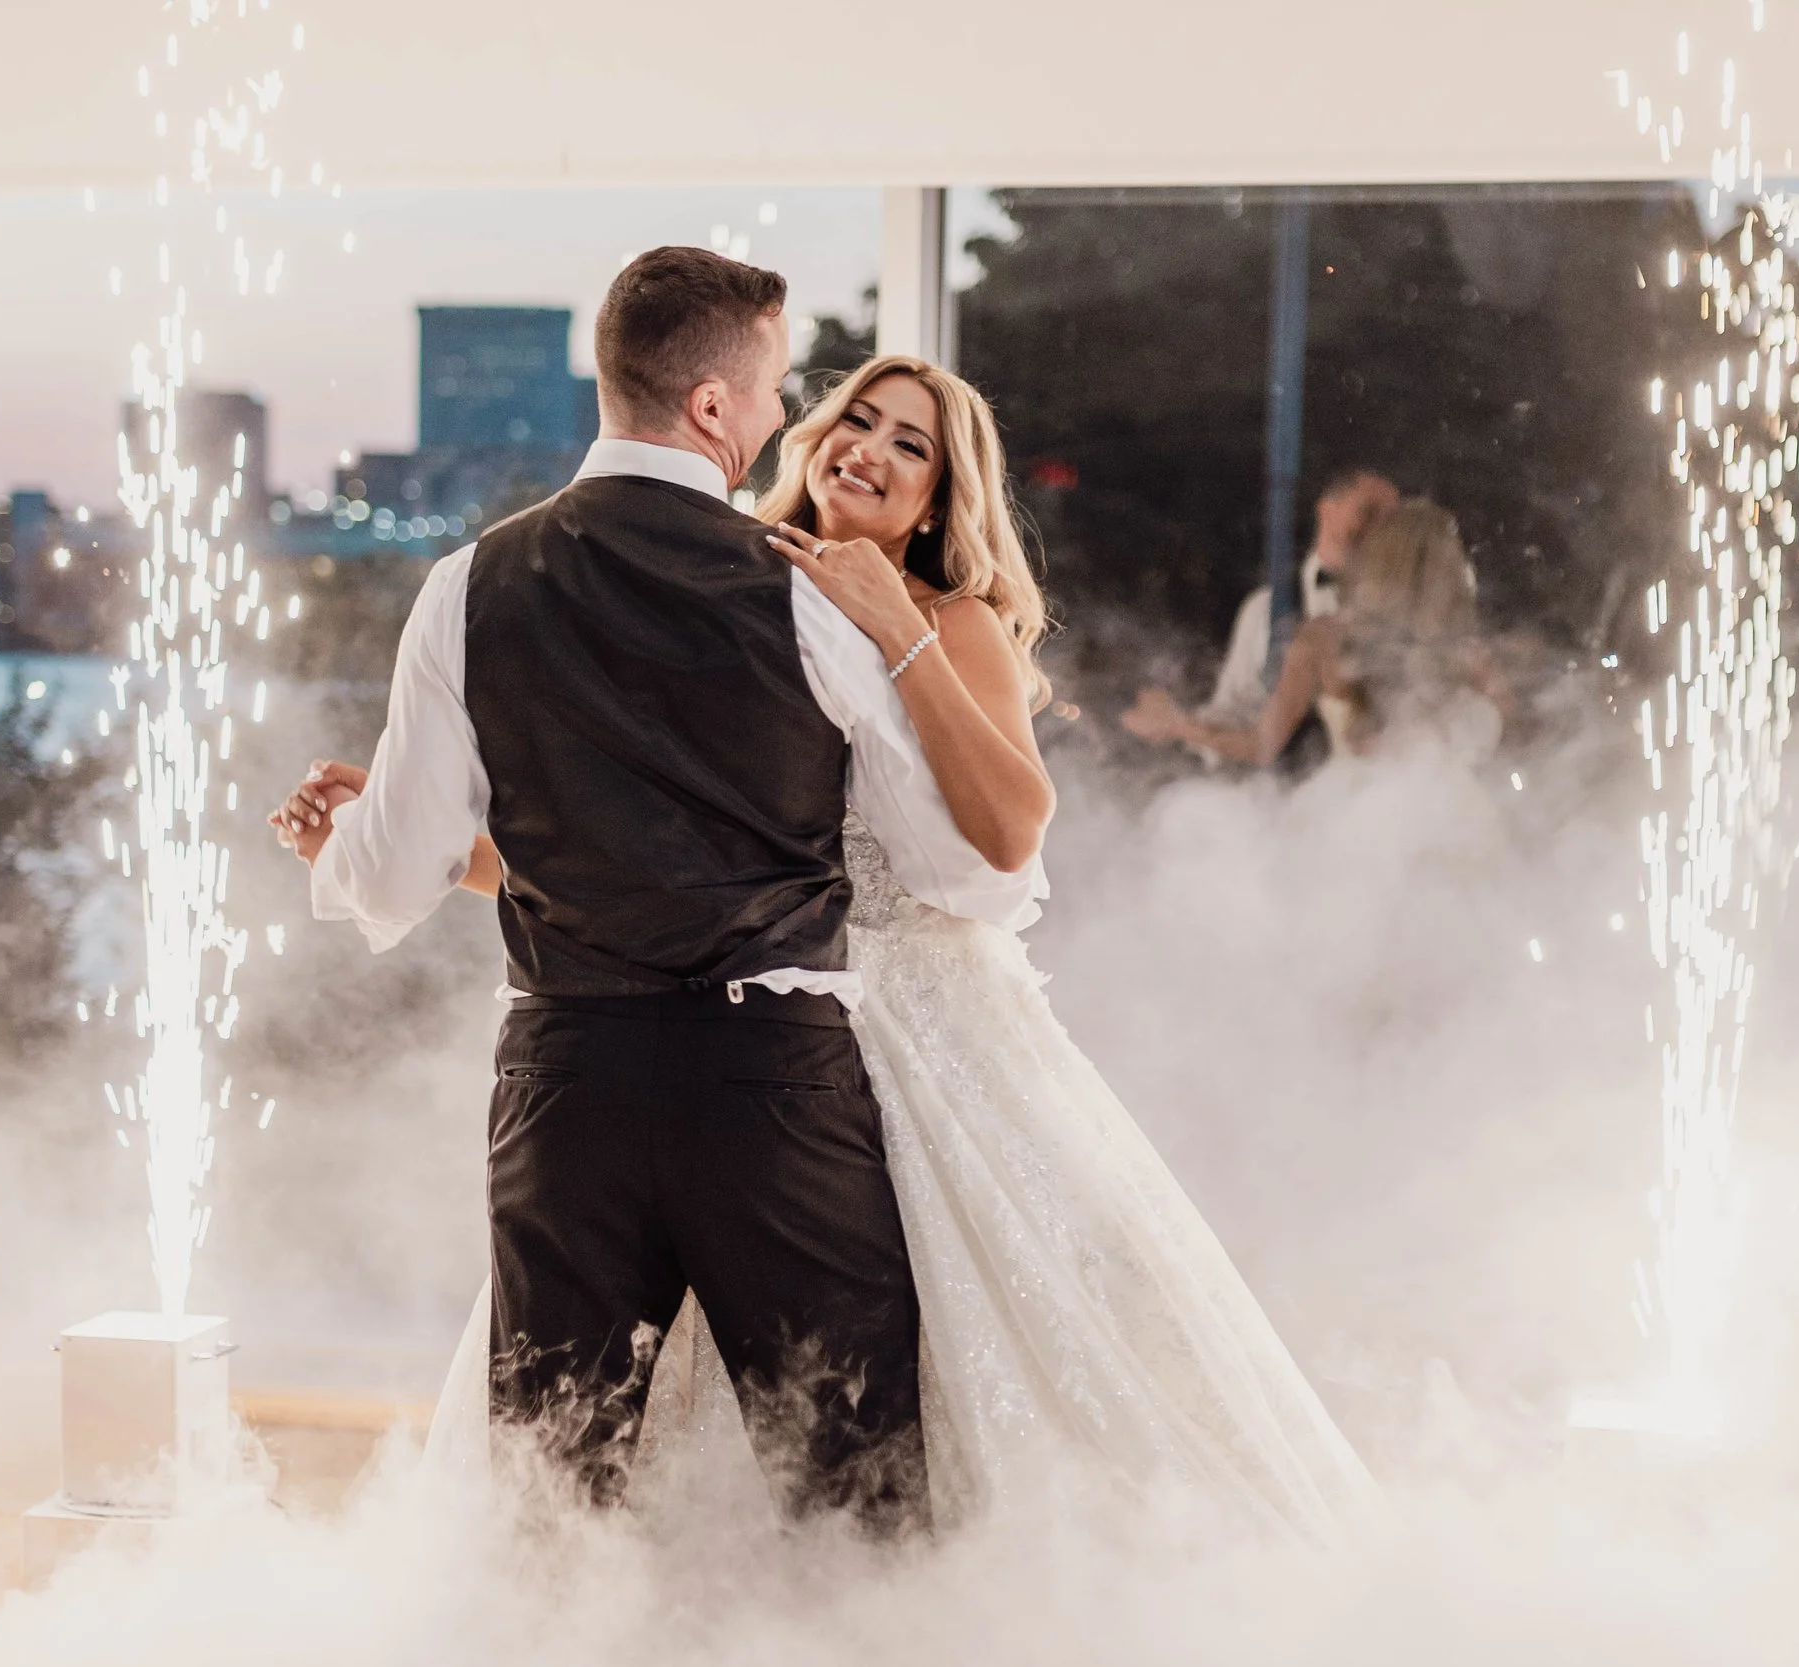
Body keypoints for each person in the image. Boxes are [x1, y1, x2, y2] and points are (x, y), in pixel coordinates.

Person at [286, 345, 1377, 1539]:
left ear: (939, 499)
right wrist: (410, 839)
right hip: (715, 1037)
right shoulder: (731, 588)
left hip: (905, 1029)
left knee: (898, 1419)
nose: (872, 448)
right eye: (859, 419)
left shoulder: (942, 621)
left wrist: (890, 626)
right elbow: (625, 863)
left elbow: (1003, 842)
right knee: (598, 1441)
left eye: (913, 446)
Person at [1122, 497, 1507, 766]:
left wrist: (1179, 725)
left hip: (1359, 820)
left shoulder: (1322, 639)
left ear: (1376, 561)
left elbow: (1260, 743)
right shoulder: (1473, 657)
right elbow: (1524, 742)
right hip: (1459, 822)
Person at [1166, 469, 1400, 746]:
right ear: (1326, 511)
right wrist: (1183, 730)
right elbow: (1233, 711)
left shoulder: (1399, 615)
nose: (1380, 529)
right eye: (1368, 512)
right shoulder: (1265, 610)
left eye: (1393, 521)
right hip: (1284, 782)